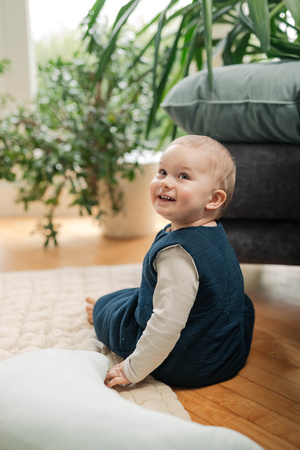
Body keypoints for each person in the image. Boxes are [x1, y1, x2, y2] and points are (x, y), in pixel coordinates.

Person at [86, 135, 255, 389]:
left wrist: (133, 368)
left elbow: (166, 324)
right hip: (226, 354)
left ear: (213, 199)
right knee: (236, 301)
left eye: (183, 176)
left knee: (110, 310)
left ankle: (99, 310)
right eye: (162, 171)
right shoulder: (212, 230)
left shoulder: (177, 254)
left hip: (186, 363)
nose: (165, 182)